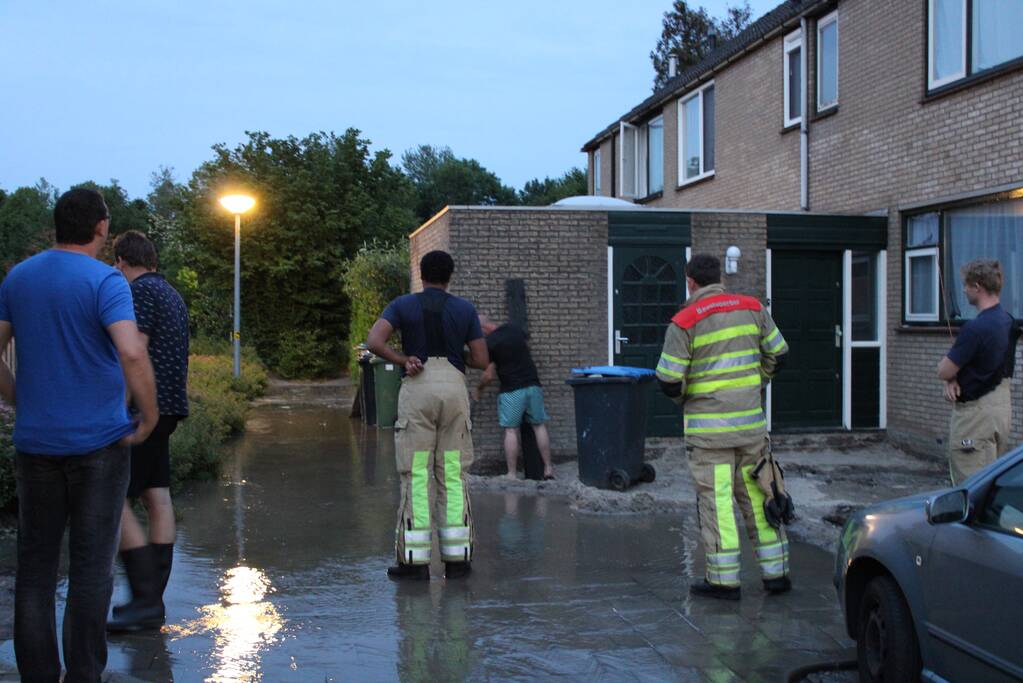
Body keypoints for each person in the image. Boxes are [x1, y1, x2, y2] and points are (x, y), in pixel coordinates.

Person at [0, 188, 158, 681]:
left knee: (36, 572)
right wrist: (149, 416)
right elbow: (132, 353)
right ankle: (84, 675)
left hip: (35, 445)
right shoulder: (106, 280)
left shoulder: (18, 278)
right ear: (101, 228)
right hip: (99, 445)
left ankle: (38, 676)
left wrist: (19, 398)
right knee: (91, 571)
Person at [655, 253, 790, 601]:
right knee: (761, 495)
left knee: (717, 505)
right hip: (751, 429)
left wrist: (688, 398)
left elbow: (669, 380)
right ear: (720, 278)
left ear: (690, 281)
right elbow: (779, 353)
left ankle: (724, 581)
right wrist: (757, 382)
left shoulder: (684, 320)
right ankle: (776, 574)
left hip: (709, 435)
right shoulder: (753, 307)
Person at [366, 250, 489, 580]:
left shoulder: (403, 305)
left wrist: (405, 358)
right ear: (450, 277)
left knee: (417, 473)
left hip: (417, 387)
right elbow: (480, 359)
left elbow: (374, 341)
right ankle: (458, 560)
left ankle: (414, 563)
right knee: (452, 473)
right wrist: (455, 353)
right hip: (454, 389)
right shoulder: (465, 309)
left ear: (421, 275)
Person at [107, 231, 190, 632]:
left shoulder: (138, 293)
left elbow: (133, 353)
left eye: (116, 267)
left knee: (114, 495)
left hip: (144, 408)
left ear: (123, 261)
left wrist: (117, 409)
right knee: (157, 494)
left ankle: (144, 600)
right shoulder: (172, 294)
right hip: (171, 406)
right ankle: (152, 598)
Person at [937, 259, 1014, 485]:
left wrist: (949, 376)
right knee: (992, 485)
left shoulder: (976, 328)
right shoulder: (1007, 321)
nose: (963, 289)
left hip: (975, 419)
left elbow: (943, 369)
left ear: (977, 287)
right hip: (1000, 412)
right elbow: (988, 367)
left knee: (971, 489)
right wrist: (954, 378)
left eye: (966, 285)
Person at [473, 315, 554, 480]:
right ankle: (548, 468)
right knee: (539, 426)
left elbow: (488, 376)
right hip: (533, 385)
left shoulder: (490, 344)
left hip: (512, 390)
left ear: (482, 330)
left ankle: (511, 474)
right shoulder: (514, 328)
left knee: (511, 430)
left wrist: (478, 389)